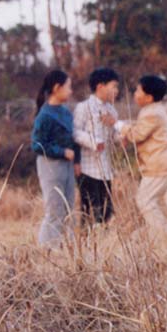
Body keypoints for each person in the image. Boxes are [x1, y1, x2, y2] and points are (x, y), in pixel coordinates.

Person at [116, 75, 167, 240]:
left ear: (148, 97)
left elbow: (137, 134)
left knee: (144, 200)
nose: (134, 94)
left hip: (160, 166)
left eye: (138, 91)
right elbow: (142, 129)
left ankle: (164, 235)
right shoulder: (157, 110)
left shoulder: (151, 113)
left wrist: (117, 124)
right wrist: (127, 130)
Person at [31, 69, 80, 246]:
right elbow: (37, 144)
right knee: (54, 210)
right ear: (57, 88)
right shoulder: (44, 115)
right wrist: (61, 152)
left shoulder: (66, 112)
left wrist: (77, 161)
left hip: (67, 166)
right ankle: (47, 250)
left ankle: (68, 249)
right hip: (50, 166)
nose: (71, 91)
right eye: (68, 87)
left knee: (69, 209)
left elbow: (72, 138)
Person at [73, 67, 121, 225]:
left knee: (107, 210)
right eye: (114, 86)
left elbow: (112, 135)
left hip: (106, 168)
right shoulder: (83, 107)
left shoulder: (112, 110)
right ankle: (87, 243)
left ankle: (104, 243)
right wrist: (93, 142)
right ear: (100, 87)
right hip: (87, 168)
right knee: (90, 210)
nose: (116, 91)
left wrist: (121, 137)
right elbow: (74, 132)